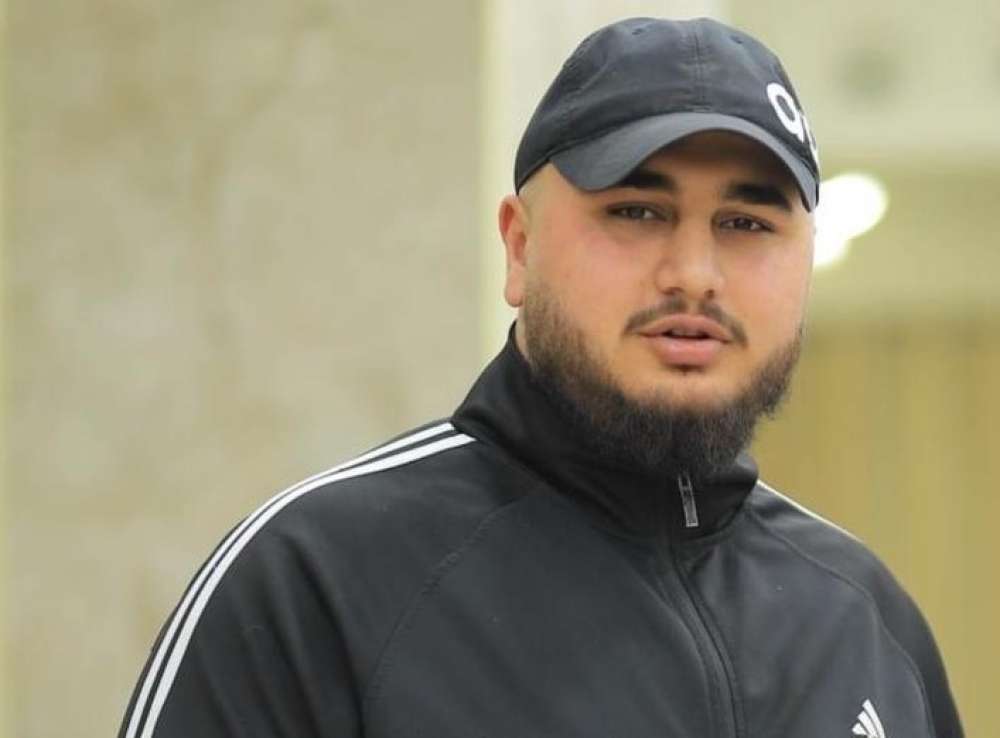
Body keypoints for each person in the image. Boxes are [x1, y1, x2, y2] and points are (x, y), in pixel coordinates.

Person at [118, 17, 963, 738]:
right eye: (637, 211)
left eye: (745, 223)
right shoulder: (316, 585)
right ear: (520, 247)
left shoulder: (867, 623)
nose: (695, 274)